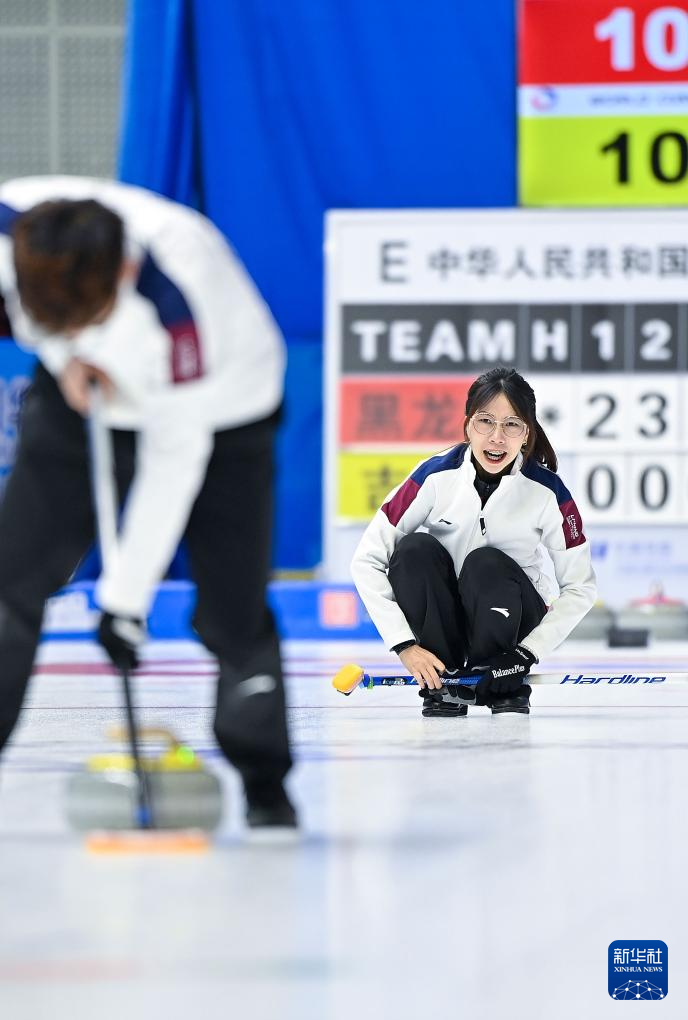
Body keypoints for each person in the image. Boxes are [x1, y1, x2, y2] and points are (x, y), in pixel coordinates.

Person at [0, 176, 296, 830]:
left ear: (122, 276)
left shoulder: (180, 303)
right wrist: (64, 353)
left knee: (232, 612)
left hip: (222, 412)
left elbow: (172, 463)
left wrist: (124, 602)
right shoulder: (12, 231)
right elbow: (40, 316)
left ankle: (265, 786)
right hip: (79, 388)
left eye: (87, 322)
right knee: (9, 577)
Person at [351, 366, 597, 717]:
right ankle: (443, 682)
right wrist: (404, 645)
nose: (497, 437)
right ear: (468, 425)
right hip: (446, 625)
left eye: (511, 424)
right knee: (414, 551)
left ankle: (505, 683)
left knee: (485, 563)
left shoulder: (548, 492)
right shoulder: (433, 476)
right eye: (485, 421)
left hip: (511, 629)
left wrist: (526, 653)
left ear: (527, 433)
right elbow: (367, 559)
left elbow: (580, 587)